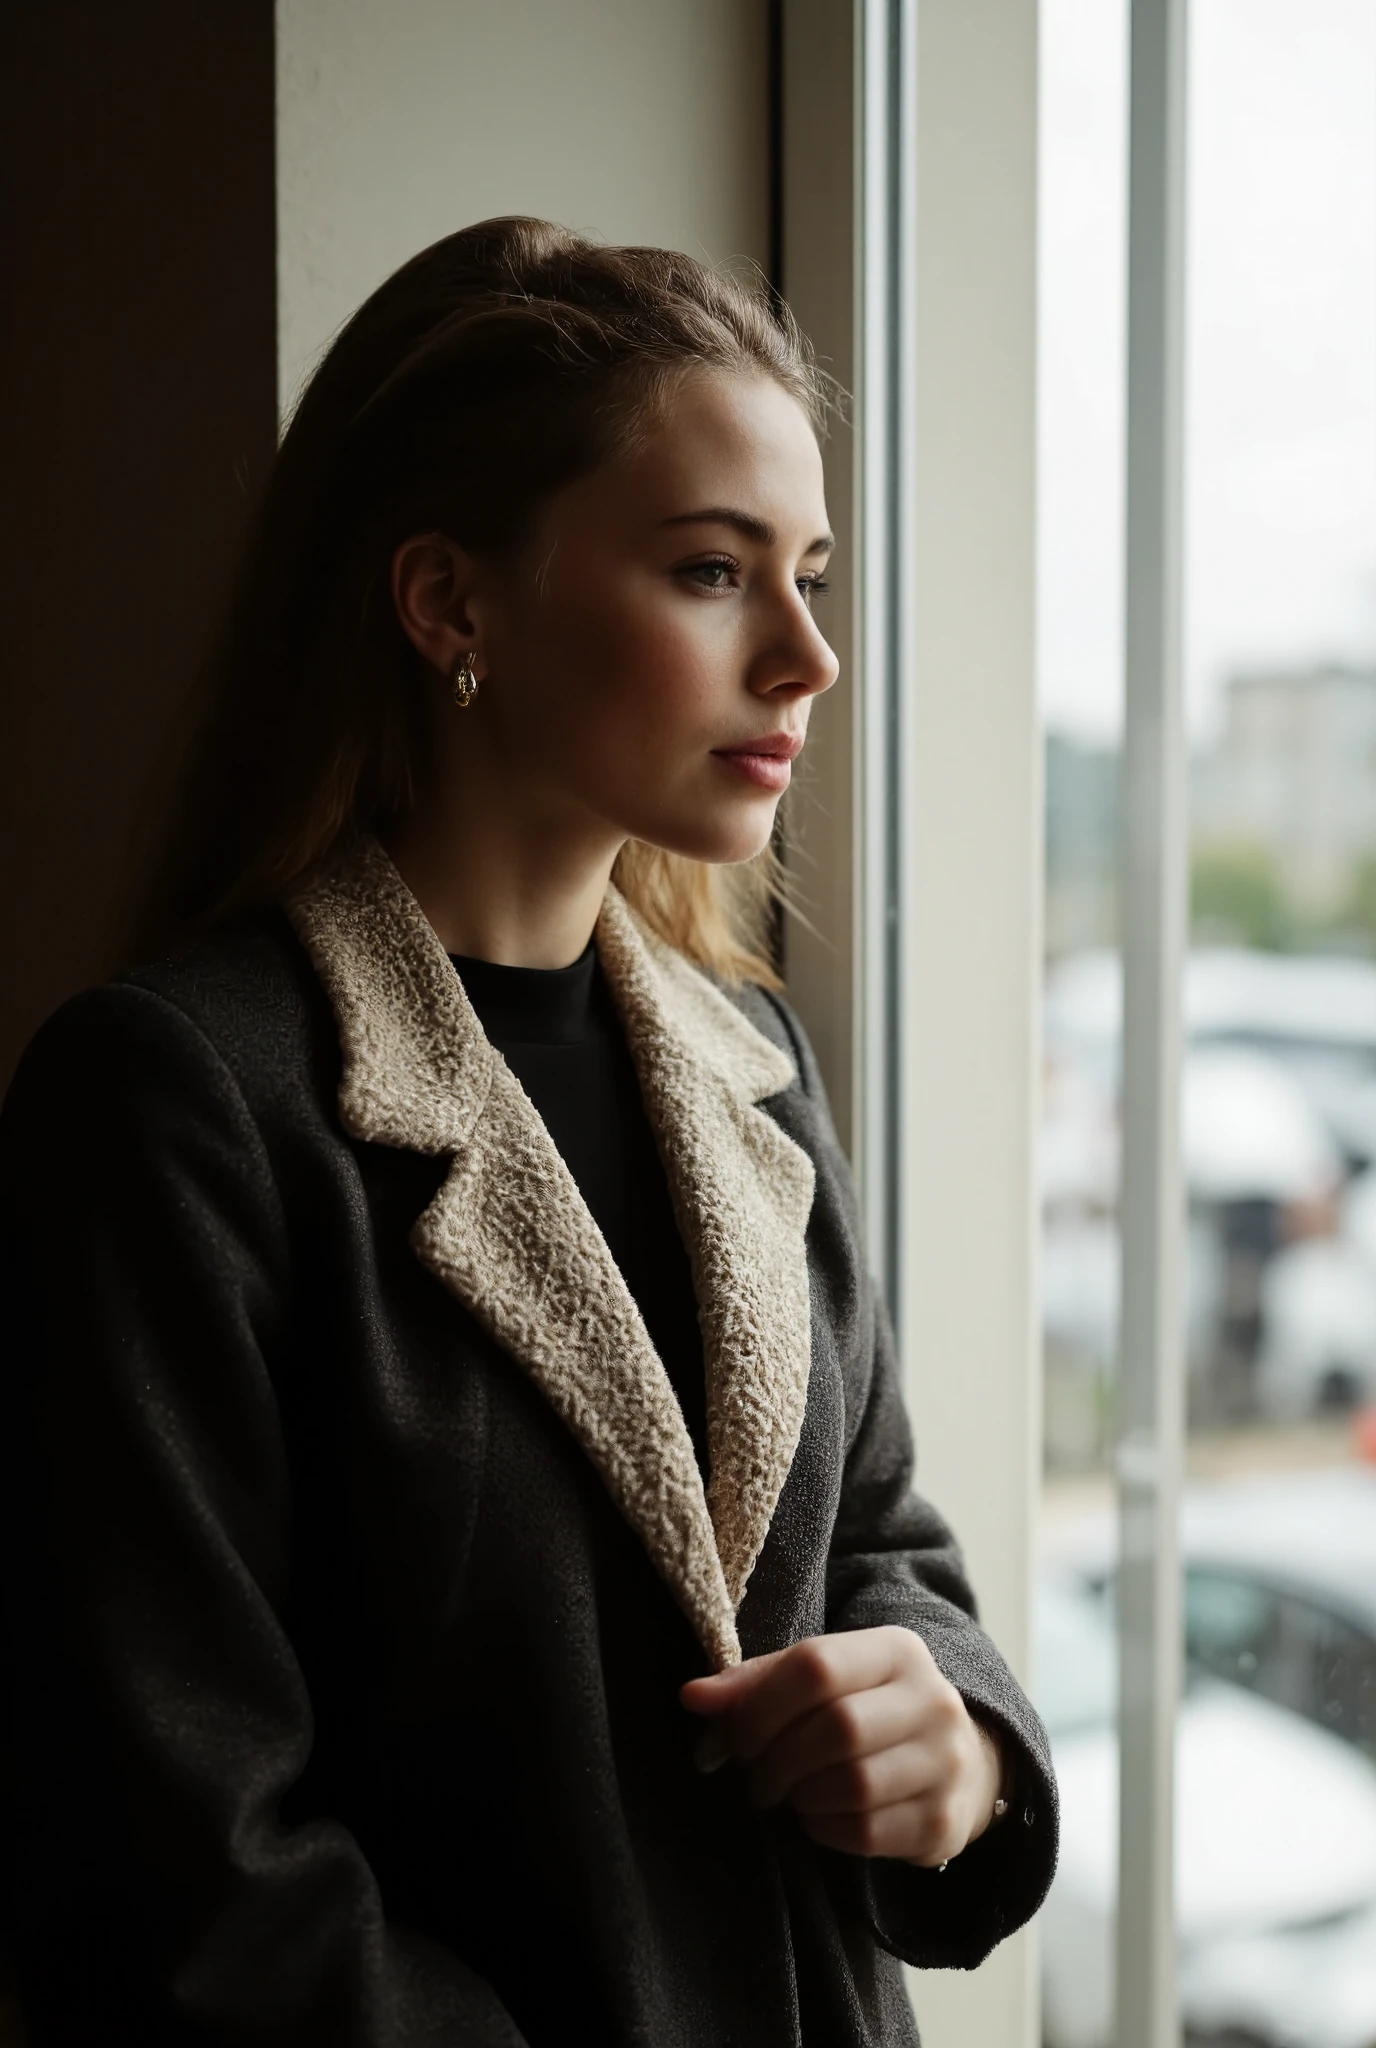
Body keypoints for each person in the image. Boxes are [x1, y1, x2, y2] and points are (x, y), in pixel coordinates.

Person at [0, 217, 1056, 2046]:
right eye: (715, 573)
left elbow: (880, 1543)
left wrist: (952, 1738)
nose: (807, 654)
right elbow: (174, 1875)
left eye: (810, 573)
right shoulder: (182, 1103)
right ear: (450, 605)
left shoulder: (751, 1060)